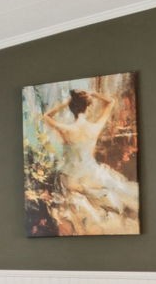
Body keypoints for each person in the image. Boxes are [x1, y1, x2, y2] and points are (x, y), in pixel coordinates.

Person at [40, 85, 137, 231]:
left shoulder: (67, 130)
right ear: (88, 108)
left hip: (70, 179)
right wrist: (94, 93)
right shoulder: (95, 127)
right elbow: (111, 102)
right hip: (90, 175)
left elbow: (46, 116)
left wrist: (66, 103)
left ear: (71, 109)